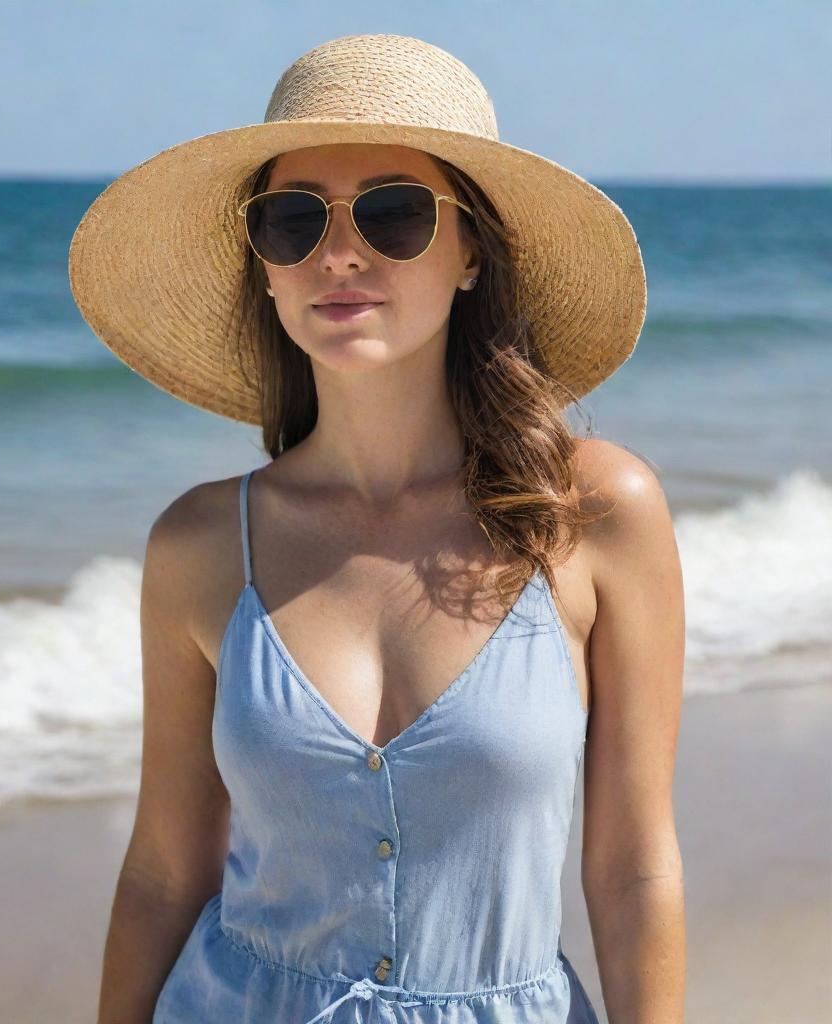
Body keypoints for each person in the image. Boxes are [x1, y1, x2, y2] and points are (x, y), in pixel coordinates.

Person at [71, 33, 686, 1024]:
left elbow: (632, 870)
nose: (339, 252)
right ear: (263, 266)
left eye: (394, 213)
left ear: (473, 249)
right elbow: (161, 871)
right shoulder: (197, 544)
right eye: (292, 220)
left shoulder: (594, 515)